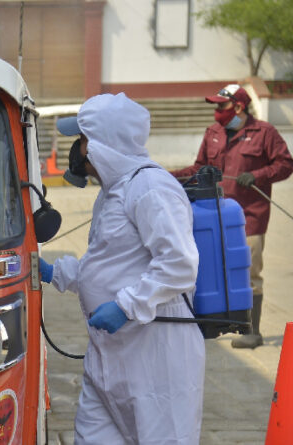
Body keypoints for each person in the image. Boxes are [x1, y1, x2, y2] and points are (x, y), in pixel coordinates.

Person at [39, 93, 205, 444]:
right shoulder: (113, 193)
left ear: (102, 144)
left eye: (82, 140)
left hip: (156, 353)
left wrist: (126, 305)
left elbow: (179, 264)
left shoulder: (152, 188)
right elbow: (108, 261)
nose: (77, 149)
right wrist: (58, 273)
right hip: (110, 353)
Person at [171, 84, 293, 349]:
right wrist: (169, 176)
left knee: (248, 271)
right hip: (213, 218)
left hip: (250, 217)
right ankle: (216, 321)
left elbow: (285, 164)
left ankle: (252, 330)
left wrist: (258, 176)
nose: (217, 112)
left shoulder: (265, 133)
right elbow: (199, 167)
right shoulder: (213, 133)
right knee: (210, 270)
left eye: (221, 106)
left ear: (238, 107)